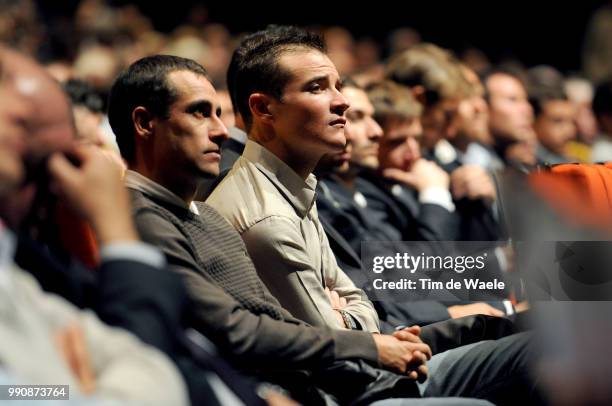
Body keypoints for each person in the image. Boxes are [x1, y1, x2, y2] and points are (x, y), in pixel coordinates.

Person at [207, 25, 538, 405]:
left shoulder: (297, 183)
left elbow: (358, 298)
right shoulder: (272, 214)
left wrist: (351, 317)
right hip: (360, 385)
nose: (341, 102)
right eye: (317, 88)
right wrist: (363, 328)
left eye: (338, 85)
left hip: (384, 354)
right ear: (264, 108)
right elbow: (355, 331)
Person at [111, 53, 452, 405]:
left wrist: (355, 329)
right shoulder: (143, 218)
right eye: (200, 112)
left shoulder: (206, 215)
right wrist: (368, 343)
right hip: (323, 386)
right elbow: (241, 332)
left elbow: (283, 318)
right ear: (144, 123)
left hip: (347, 368)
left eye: (218, 113)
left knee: (503, 339)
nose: (222, 130)